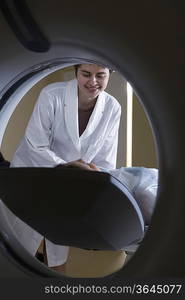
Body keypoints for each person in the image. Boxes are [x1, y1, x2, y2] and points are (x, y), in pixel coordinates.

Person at [10, 63, 121, 170]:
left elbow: (105, 160)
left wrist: (98, 178)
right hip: (32, 172)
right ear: (76, 72)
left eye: (100, 76)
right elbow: (35, 147)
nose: (93, 81)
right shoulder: (51, 95)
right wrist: (70, 168)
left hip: (76, 178)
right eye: (86, 74)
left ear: (109, 76)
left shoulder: (112, 107)